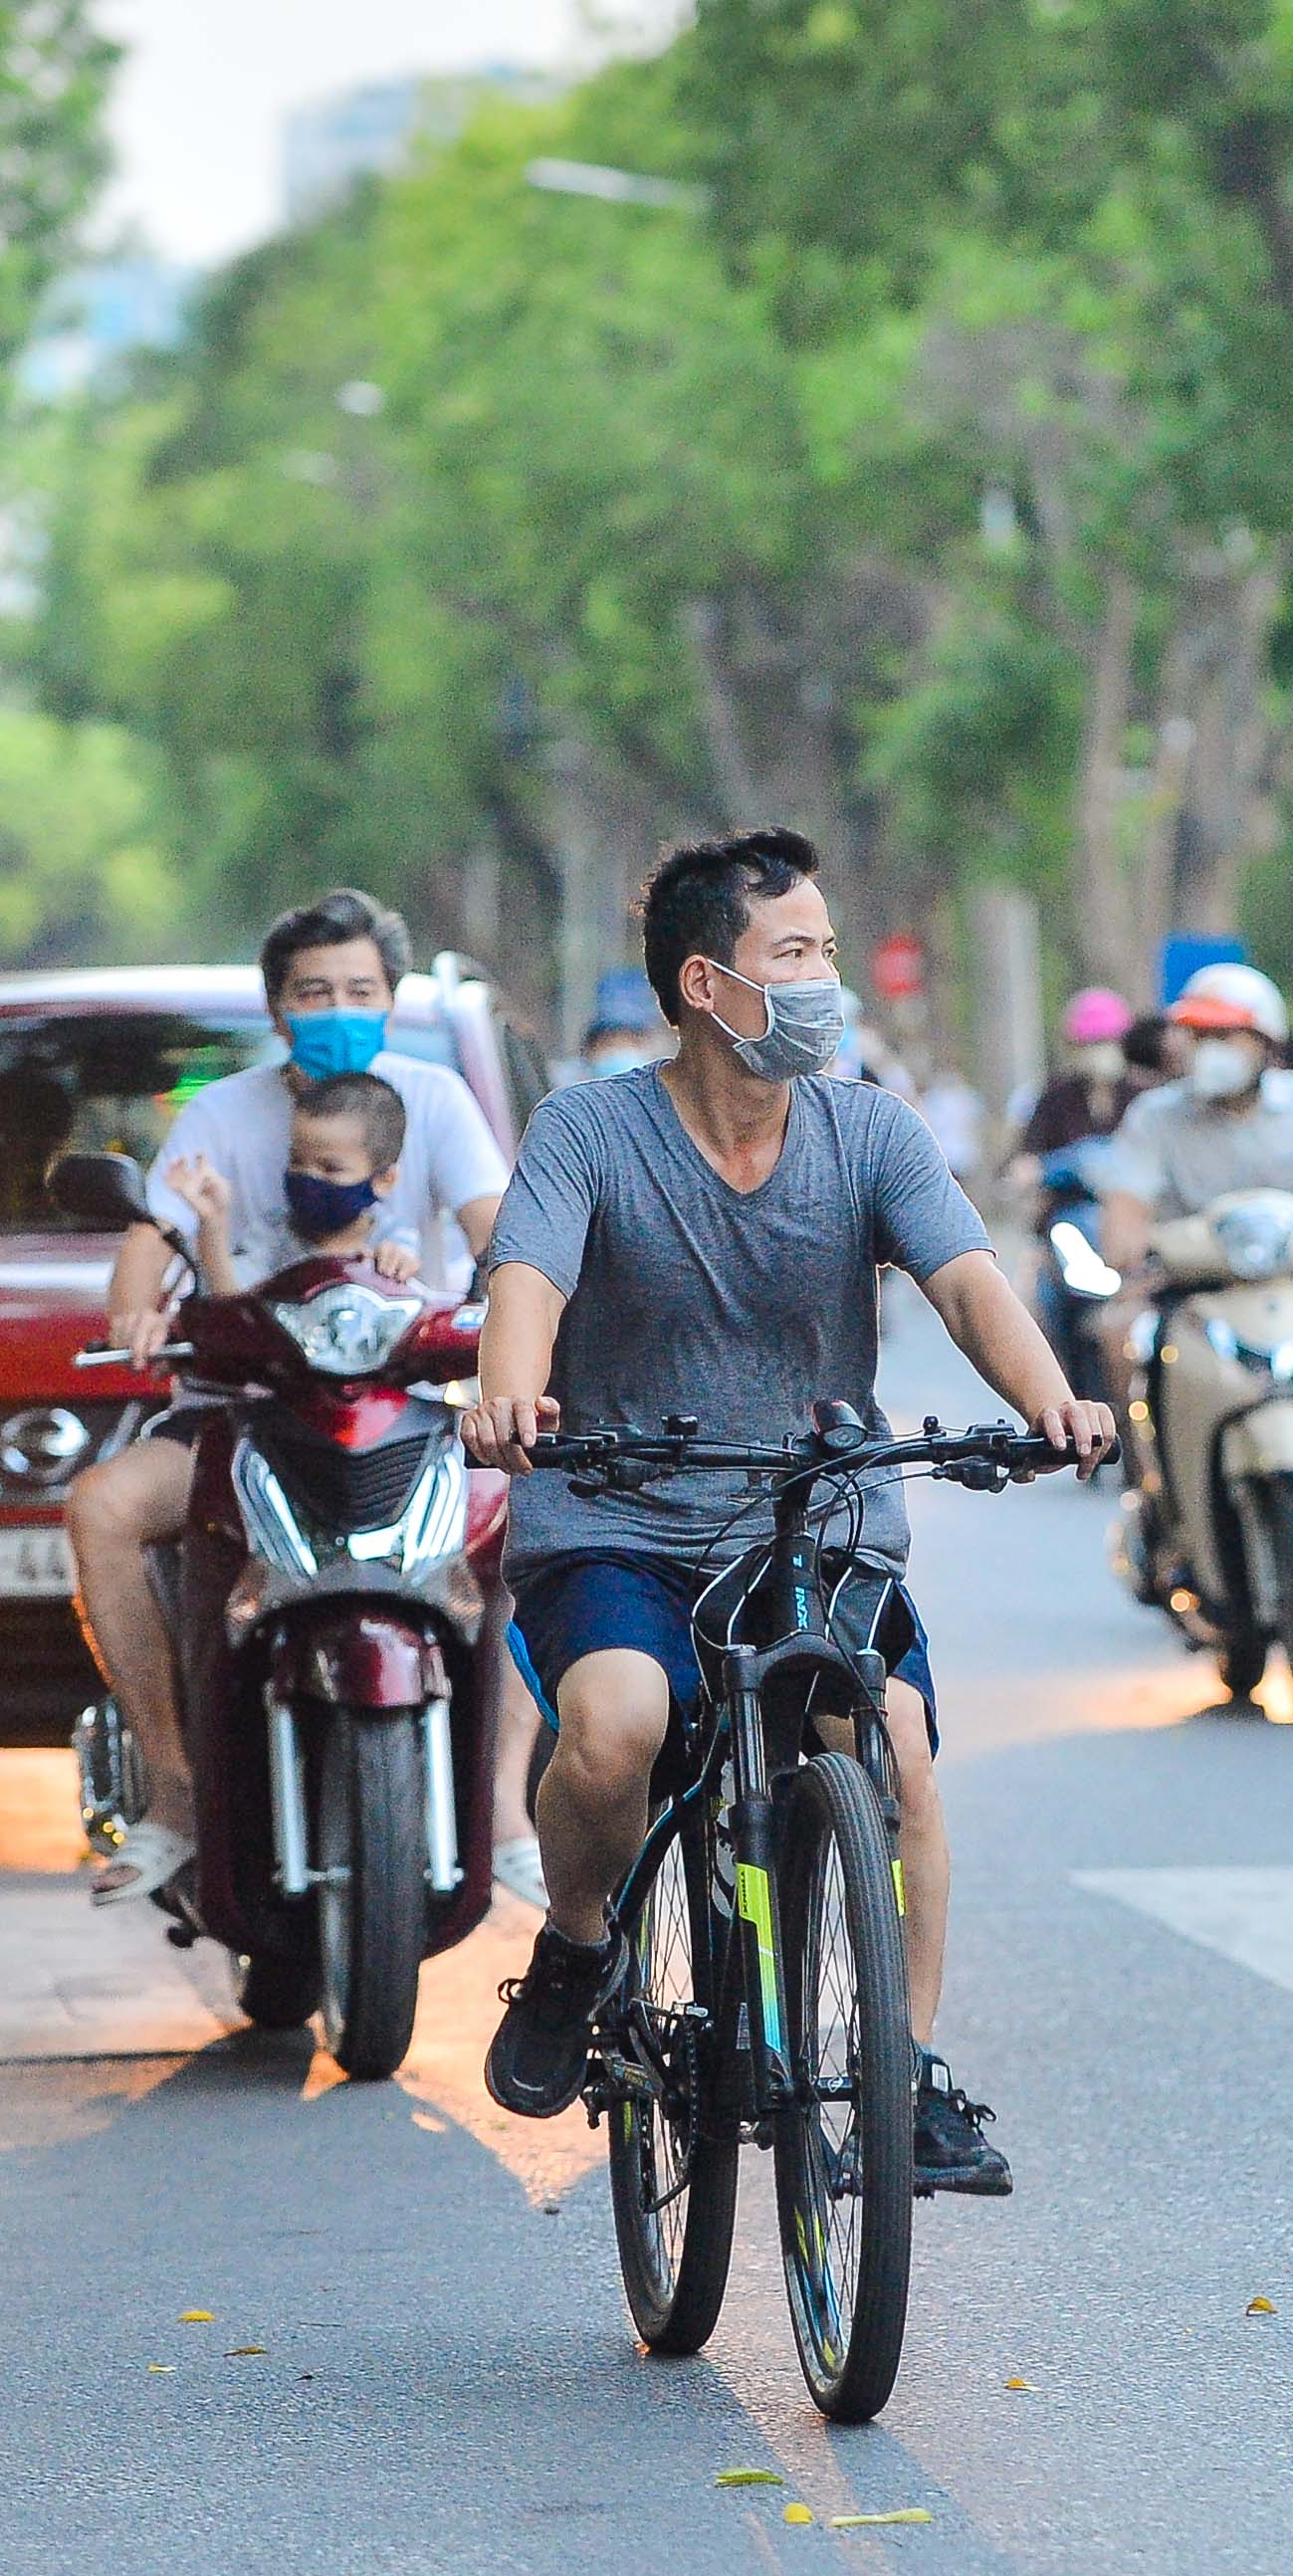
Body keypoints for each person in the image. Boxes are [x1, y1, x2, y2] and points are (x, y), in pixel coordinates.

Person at [456, 826, 1115, 2197]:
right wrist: (508, 1398)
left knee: (894, 1749)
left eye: (822, 950)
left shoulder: (866, 1126)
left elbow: (967, 1282)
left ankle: (905, 2070)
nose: (825, 982)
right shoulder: (589, 1127)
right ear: (709, 984)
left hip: (811, 1510)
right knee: (617, 1725)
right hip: (616, 1511)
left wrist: (1052, 1398)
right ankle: (578, 1946)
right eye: (797, 955)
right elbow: (525, 1279)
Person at [68, 891, 515, 1905]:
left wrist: (520, 1333)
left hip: (410, 1417)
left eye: (360, 989)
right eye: (314, 991)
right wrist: (137, 1317)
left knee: (543, 1503)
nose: (338, 1007)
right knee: (100, 1505)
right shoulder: (222, 1113)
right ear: (277, 1010)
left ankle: (504, 1803)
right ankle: (176, 1792)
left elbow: (506, 1238)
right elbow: (150, 1242)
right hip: (241, 1416)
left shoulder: (435, 1098)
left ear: (391, 999)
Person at [1094, 963, 1293, 1388]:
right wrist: (1128, 1247)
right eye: (1199, 1037)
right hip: (1191, 1285)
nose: (1208, 1050)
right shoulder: (1154, 1117)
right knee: (1119, 1335)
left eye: (1224, 1037)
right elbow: (1125, 1214)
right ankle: (1143, 1454)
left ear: (1266, 1043)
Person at [164, 1069, 422, 1294]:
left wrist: (396, 1263)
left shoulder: (393, 1238)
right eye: (297, 1161)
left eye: (330, 1168)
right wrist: (213, 1224)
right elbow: (229, 1298)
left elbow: (409, 1272)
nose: (309, 1177)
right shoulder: (273, 1236)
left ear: (384, 1179)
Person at [1003, 988, 1140, 1190]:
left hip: (1129, 1201)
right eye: (1092, 1043)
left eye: (1107, 1041)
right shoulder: (1056, 1095)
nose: (1100, 1051)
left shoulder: (1140, 1095)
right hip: (1070, 1204)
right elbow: (1027, 1159)